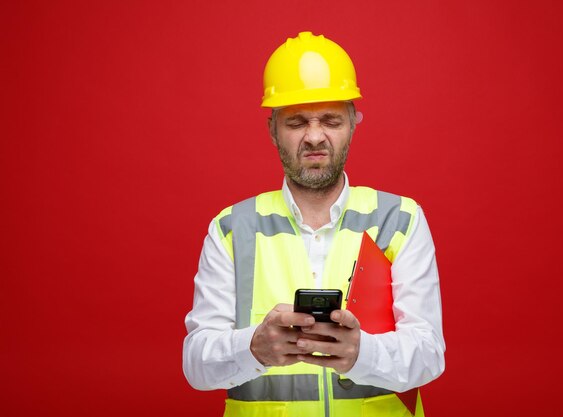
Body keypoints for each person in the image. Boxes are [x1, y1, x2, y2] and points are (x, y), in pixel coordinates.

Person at [183, 31, 445, 417]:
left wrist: (362, 352)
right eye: (297, 122)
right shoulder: (231, 229)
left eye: (330, 120)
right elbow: (196, 366)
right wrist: (252, 348)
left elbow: (429, 355)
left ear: (354, 123)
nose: (315, 136)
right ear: (272, 129)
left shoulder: (399, 220)